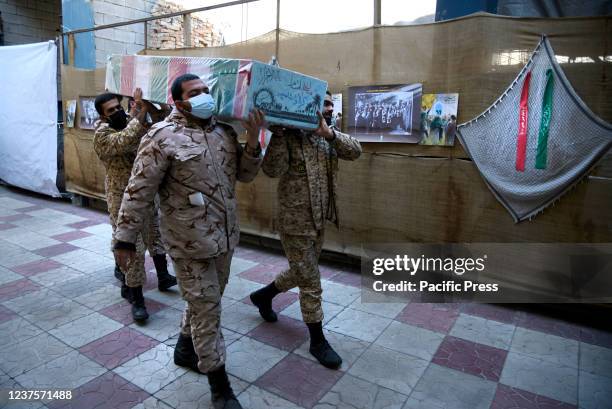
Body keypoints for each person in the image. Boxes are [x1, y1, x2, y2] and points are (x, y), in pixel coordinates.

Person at [114, 74, 265, 409]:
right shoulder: (161, 136)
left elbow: (246, 174)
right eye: (195, 93)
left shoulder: (224, 131)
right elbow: (138, 191)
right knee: (208, 309)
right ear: (179, 100)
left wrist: (253, 140)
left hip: (224, 238)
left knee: (203, 303)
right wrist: (124, 240)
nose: (204, 97)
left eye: (206, 91)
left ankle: (185, 348)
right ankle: (220, 386)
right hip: (187, 241)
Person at [249, 90, 362, 370]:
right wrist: (277, 133)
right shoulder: (289, 135)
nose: (327, 109)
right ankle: (317, 339)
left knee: (301, 271)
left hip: (319, 219)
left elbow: (355, 151)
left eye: (330, 105)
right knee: (311, 280)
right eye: (322, 103)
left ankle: (263, 296)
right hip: (295, 221)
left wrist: (329, 134)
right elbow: (272, 171)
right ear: (307, 106)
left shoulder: (328, 136)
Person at [93, 88, 177, 322]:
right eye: (112, 110)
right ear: (102, 116)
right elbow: (124, 141)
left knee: (155, 235)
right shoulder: (102, 134)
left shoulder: (133, 122)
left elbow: (160, 128)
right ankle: (137, 298)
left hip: (146, 193)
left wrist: (153, 108)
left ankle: (163, 276)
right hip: (121, 199)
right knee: (133, 247)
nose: (118, 112)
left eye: (119, 107)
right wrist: (138, 113)